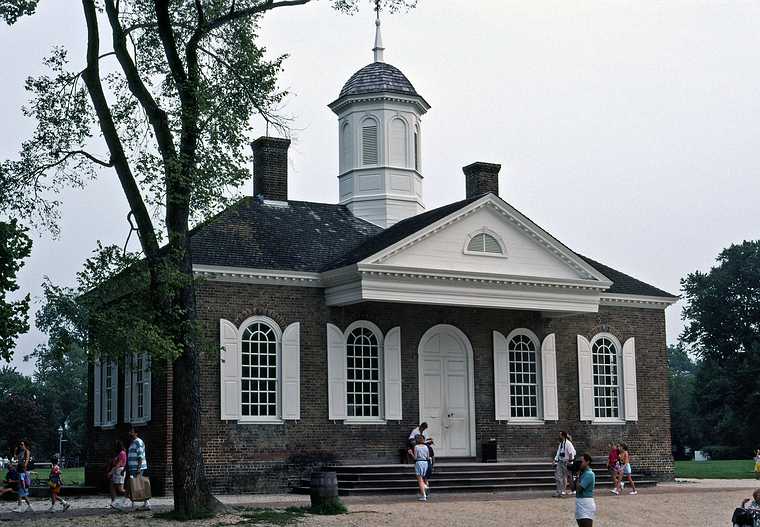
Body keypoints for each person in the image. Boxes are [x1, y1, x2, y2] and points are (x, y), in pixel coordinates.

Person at [126, 427, 151, 511]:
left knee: (137, 485)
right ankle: (142, 503)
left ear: (136, 433)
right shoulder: (132, 442)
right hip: (132, 468)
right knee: (135, 485)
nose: (129, 433)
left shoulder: (138, 442)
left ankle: (143, 503)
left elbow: (140, 456)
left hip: (137, 467)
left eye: (131, 432)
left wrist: (139, 468)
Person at [575, 453, 596, 527]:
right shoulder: (582, 473)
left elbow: (578, 489)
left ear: (587, 462)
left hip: (586, 503)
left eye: (582, 461)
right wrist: (569, 476)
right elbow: (572, 488)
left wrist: (577, 476)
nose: (580, 463)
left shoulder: (589, 474)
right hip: (579, 503)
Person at [553, 431, 576, 497]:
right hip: (560, 461)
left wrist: (570, 461)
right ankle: (559, 491)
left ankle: (563, 491)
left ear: (563, 436)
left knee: (565, 477)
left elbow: (571, 453)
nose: (559, 436)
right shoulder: (561, 444)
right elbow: (558, 452)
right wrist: (555, 460)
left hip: (566, 462)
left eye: (560, 435)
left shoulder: (568, 444)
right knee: (558, 476)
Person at [408, 434, 430, 502]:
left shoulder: (416, 447)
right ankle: (425, 488)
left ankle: (424, 496)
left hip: (419, 462)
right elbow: (428, 457)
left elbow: (415, 458)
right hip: (425, 463)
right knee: (424, 478)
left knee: (420, 480)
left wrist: (411, 453)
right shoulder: (426, 447)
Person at [108, 440, 128, 509]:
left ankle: (130, 495)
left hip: (119, 471)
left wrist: (111, 472)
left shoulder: (122, 453)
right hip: (116, 470)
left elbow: (118, 464)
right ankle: (113, 502)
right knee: (112, 486)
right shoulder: (119, 453)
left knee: (120, 489)